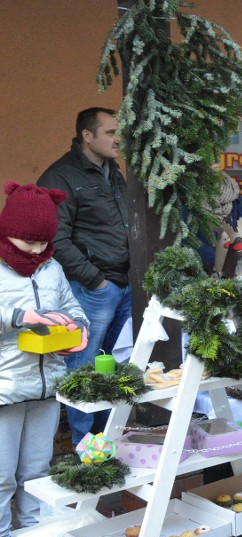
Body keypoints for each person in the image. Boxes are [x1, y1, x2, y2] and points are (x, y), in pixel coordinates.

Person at [0, 182, 89, 537]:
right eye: (29, 242)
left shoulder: (52, 268)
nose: (37, 250)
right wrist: (23, 316)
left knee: (37, 472)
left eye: (43, 243)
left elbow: (73, 307)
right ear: (8, 233)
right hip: (5, 388)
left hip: (47, 387)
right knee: (2, 475)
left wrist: (78, 332)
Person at [37, 107, 132, 447]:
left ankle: (110, 442)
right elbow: (55, 239)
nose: (117, 138)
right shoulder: (60, 176)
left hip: (122, 285)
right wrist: (95, 280)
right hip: (92, 289)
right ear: (86, 136)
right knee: (84, 368)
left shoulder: (113, 171)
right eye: (109, 132)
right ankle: (85, 450)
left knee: (114, 366)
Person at [196, 169, 242, 274]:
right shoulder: (188, 194)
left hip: (231, 271)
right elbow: (187, 238)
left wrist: (236, 258)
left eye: (217, 160)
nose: (214, 165)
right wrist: (219, 260)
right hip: (199, 272)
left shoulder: (232, 194)